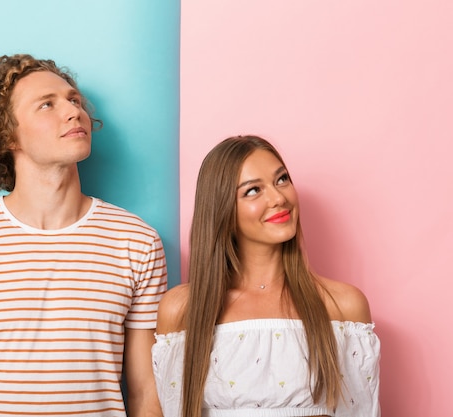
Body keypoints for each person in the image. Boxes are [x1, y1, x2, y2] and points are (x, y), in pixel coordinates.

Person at [0, 54, 167, 417]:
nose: (74, 112)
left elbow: (145, 392)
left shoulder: (136, 241)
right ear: (6, 133)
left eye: (74, 100)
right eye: (47, 104)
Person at [152, 135, 380, 417]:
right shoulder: (182, 309)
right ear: (222, 210)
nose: (278, 198)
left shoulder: (343, 306)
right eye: (252, 191)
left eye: (282, 179)